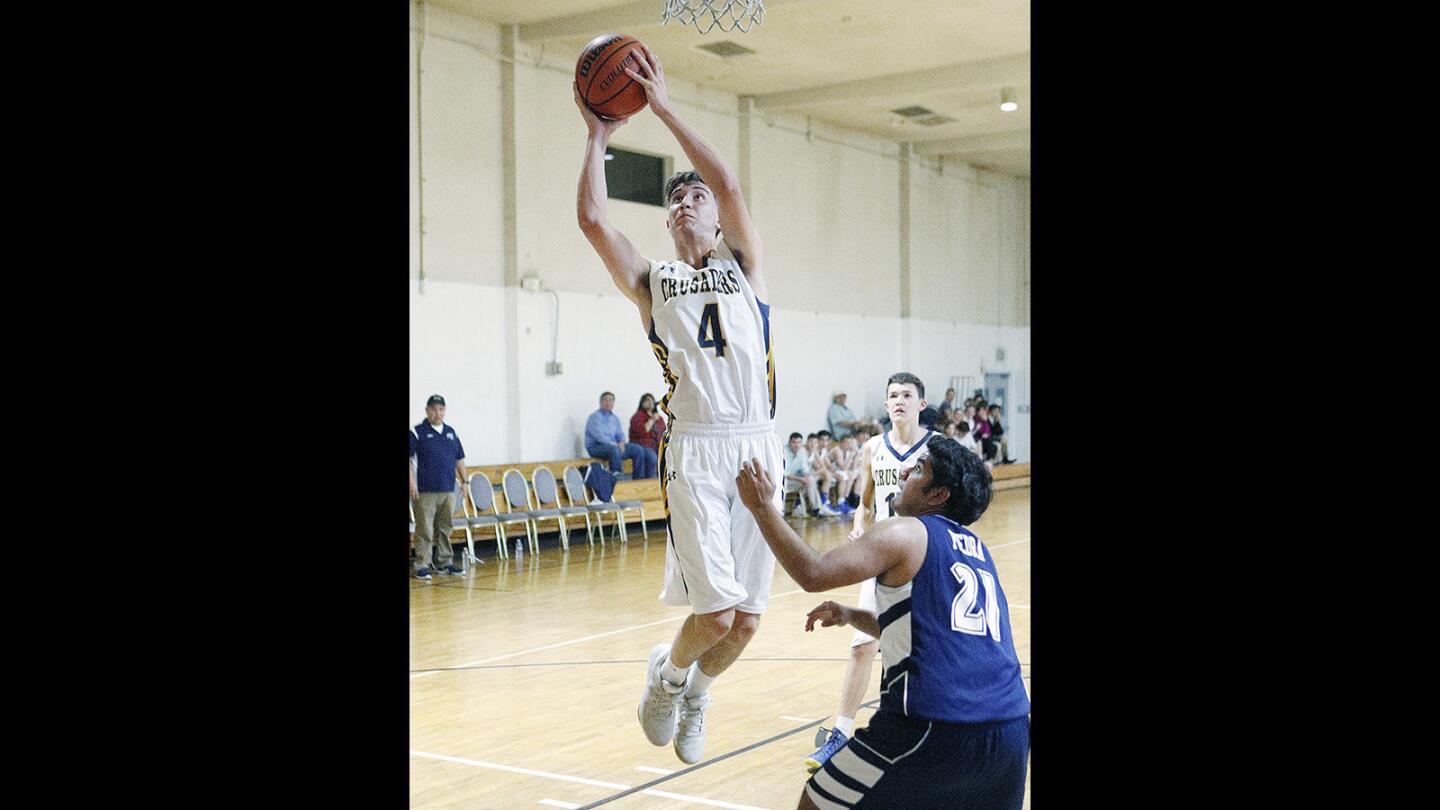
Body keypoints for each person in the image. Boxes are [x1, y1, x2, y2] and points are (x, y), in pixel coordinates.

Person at [575, 45, 785, 765]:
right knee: (716, 611)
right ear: (666, 225)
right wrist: (599, 136)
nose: (687, 202)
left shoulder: (744, 266)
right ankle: (665, 679)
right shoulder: (653, 281)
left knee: (748, 623)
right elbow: (594, 224)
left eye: (695, 197)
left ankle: (697, 694)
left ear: (718, 221)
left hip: (759, 441)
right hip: (695, 446)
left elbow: (726, 178)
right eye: (676, 199)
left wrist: (660, 106)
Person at [735, 436, 1029, 810]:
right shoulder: (978, 550)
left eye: (919, 469)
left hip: (931, 722)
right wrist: (851, 615)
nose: (904, 471)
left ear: (938, 495)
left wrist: (761, 507)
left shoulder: (905, 530)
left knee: (816, 802)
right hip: (1011, 730)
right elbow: (928, 632)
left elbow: (812, 572)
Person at [809, 372, 937, 771]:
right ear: (885, 405)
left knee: (920, 647)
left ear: (921, 403)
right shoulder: (871, 448)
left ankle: (929, 728)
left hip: (919, 555)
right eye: (893, 395)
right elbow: (864, 502)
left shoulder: (937, 448)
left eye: (907, 395)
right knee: (863, 645)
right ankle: (841, 733)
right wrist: (860, 526)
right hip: (879, 557)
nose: (899, 400)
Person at [408, 395, 467, 581]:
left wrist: (465, 481)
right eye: (433, 409)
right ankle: (422, 564)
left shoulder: (451, 432)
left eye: (441, 409)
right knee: (424, 528)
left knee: (445, 527)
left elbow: (459, 458)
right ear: (427, 410)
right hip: (424, 490)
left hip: (448, 488)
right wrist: (411, 483)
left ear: (445, 410)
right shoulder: (417, 432)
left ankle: (444, 561)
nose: (437, 413)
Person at [585, 391, 657, 479]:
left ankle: (639, 480)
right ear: (600, 402)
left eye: (611, 400)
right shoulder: (595, 417)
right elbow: (599, 437)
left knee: (637, 450)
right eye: (605, 400)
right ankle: (616, 480)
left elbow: (620, 434)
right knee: (615, 450)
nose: (608, 402)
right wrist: (615, 444)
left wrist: (622, 442)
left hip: (614, 447)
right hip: (596, 447)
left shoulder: (614, 418)